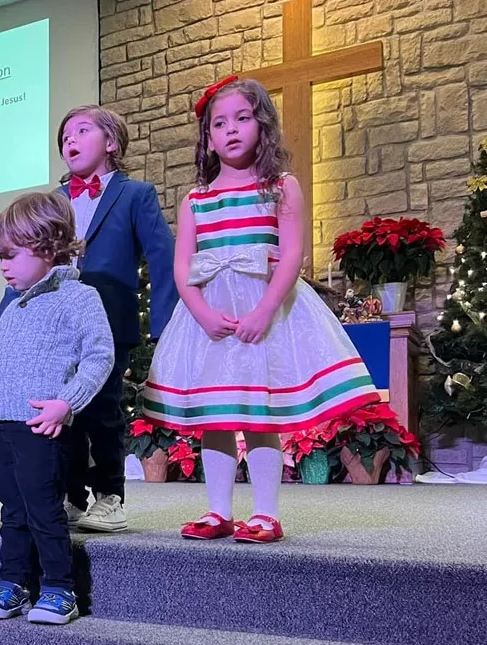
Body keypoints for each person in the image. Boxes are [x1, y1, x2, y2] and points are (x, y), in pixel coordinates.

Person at [145, 76, 379, 544]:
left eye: (242, 118)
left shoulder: (280, 187)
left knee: (258, 415)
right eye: (219, 123)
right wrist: (201, 312)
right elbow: (183, 266)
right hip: (211, 319)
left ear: (263, 125)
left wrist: (265, 310)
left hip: (264, 314)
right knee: (214, 415)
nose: (231, 129)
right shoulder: (196, 200)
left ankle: (266, 513)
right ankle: (218, 510)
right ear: (207, 139)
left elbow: (292, 255)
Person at [0, 106, 178, 533]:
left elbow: (162, 256)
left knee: (103, 408)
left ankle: (110, 496)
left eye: (81, 131)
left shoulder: (136, 194)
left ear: (111, 142)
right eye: (64, 137)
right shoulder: (52, 201)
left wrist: (164, 324)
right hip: (50, 324)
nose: (69, 141)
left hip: (108, 320)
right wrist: (5, 318)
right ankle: (72, 495)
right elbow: (25, 257)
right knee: (61, 410)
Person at [0, 191, 114, 625]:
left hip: (41, 427)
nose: (3, 267)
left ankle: (59, 588)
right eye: (0, 257)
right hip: (3, 428)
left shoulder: (79, 297)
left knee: (44, 509)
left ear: (48, 246)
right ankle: (12, 583)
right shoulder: (14, 308)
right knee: (11, 510)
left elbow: (99, 357)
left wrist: (66, 403)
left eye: (11, 256)